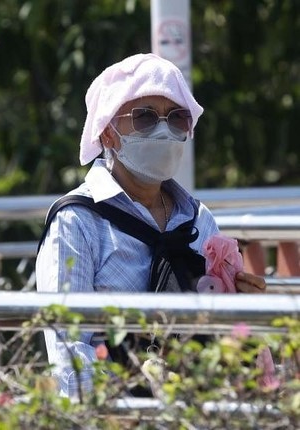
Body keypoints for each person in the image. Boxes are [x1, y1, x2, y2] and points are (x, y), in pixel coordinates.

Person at [35, 53, 266, 398]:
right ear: (107, 133)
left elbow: (219, 339)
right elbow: (69, 351)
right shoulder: (76, 222)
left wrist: (243, 310)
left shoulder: (198, 219)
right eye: (144, 117)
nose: (163, 129)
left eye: (177, 118)